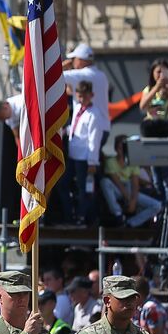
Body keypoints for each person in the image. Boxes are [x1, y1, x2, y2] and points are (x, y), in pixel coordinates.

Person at [65, 80, 101, 225]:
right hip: (73, 154)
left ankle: (83, 216)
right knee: (65, 184)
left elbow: (94, 140)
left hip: (84, 158)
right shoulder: (78, 107)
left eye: (84, 97)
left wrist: (92, 161)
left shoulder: (94, 114)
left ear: (91, 95)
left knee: (84, 188)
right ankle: (69, 214)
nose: (81, 100)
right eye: (79, 97)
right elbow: (75, 127)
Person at [61, 43, 111, 148]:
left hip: (87, 129)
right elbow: (70, 91)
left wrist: (64, 66)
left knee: (85, 163)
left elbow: (52, 75)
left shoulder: (79, 75)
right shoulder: (102, 75)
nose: (72, 61)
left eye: (74, 58)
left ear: (80, 60)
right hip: (104, 128)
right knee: (95, 160)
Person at [139, 58, 168, 125]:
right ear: (153, 73)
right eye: (158, 72)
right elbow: (142, 106)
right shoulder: (148, 90)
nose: (161, 75)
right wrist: (156, 87)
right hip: (152, 125)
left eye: (164, 72)